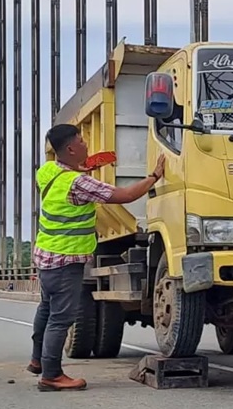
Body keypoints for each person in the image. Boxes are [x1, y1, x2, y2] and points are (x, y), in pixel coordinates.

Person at [28, 123, 166, 391]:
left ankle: (37, 360)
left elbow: (65, 181)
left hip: (46, 257)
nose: (86, 143)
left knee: (46, 310)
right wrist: (154, 176)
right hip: (67, 260)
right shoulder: (79, 183)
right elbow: (125, 195)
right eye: (81, 140)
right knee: (62, 318)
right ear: (70, 148)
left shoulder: (47, 172)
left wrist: (79, 168)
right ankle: (52, 375)